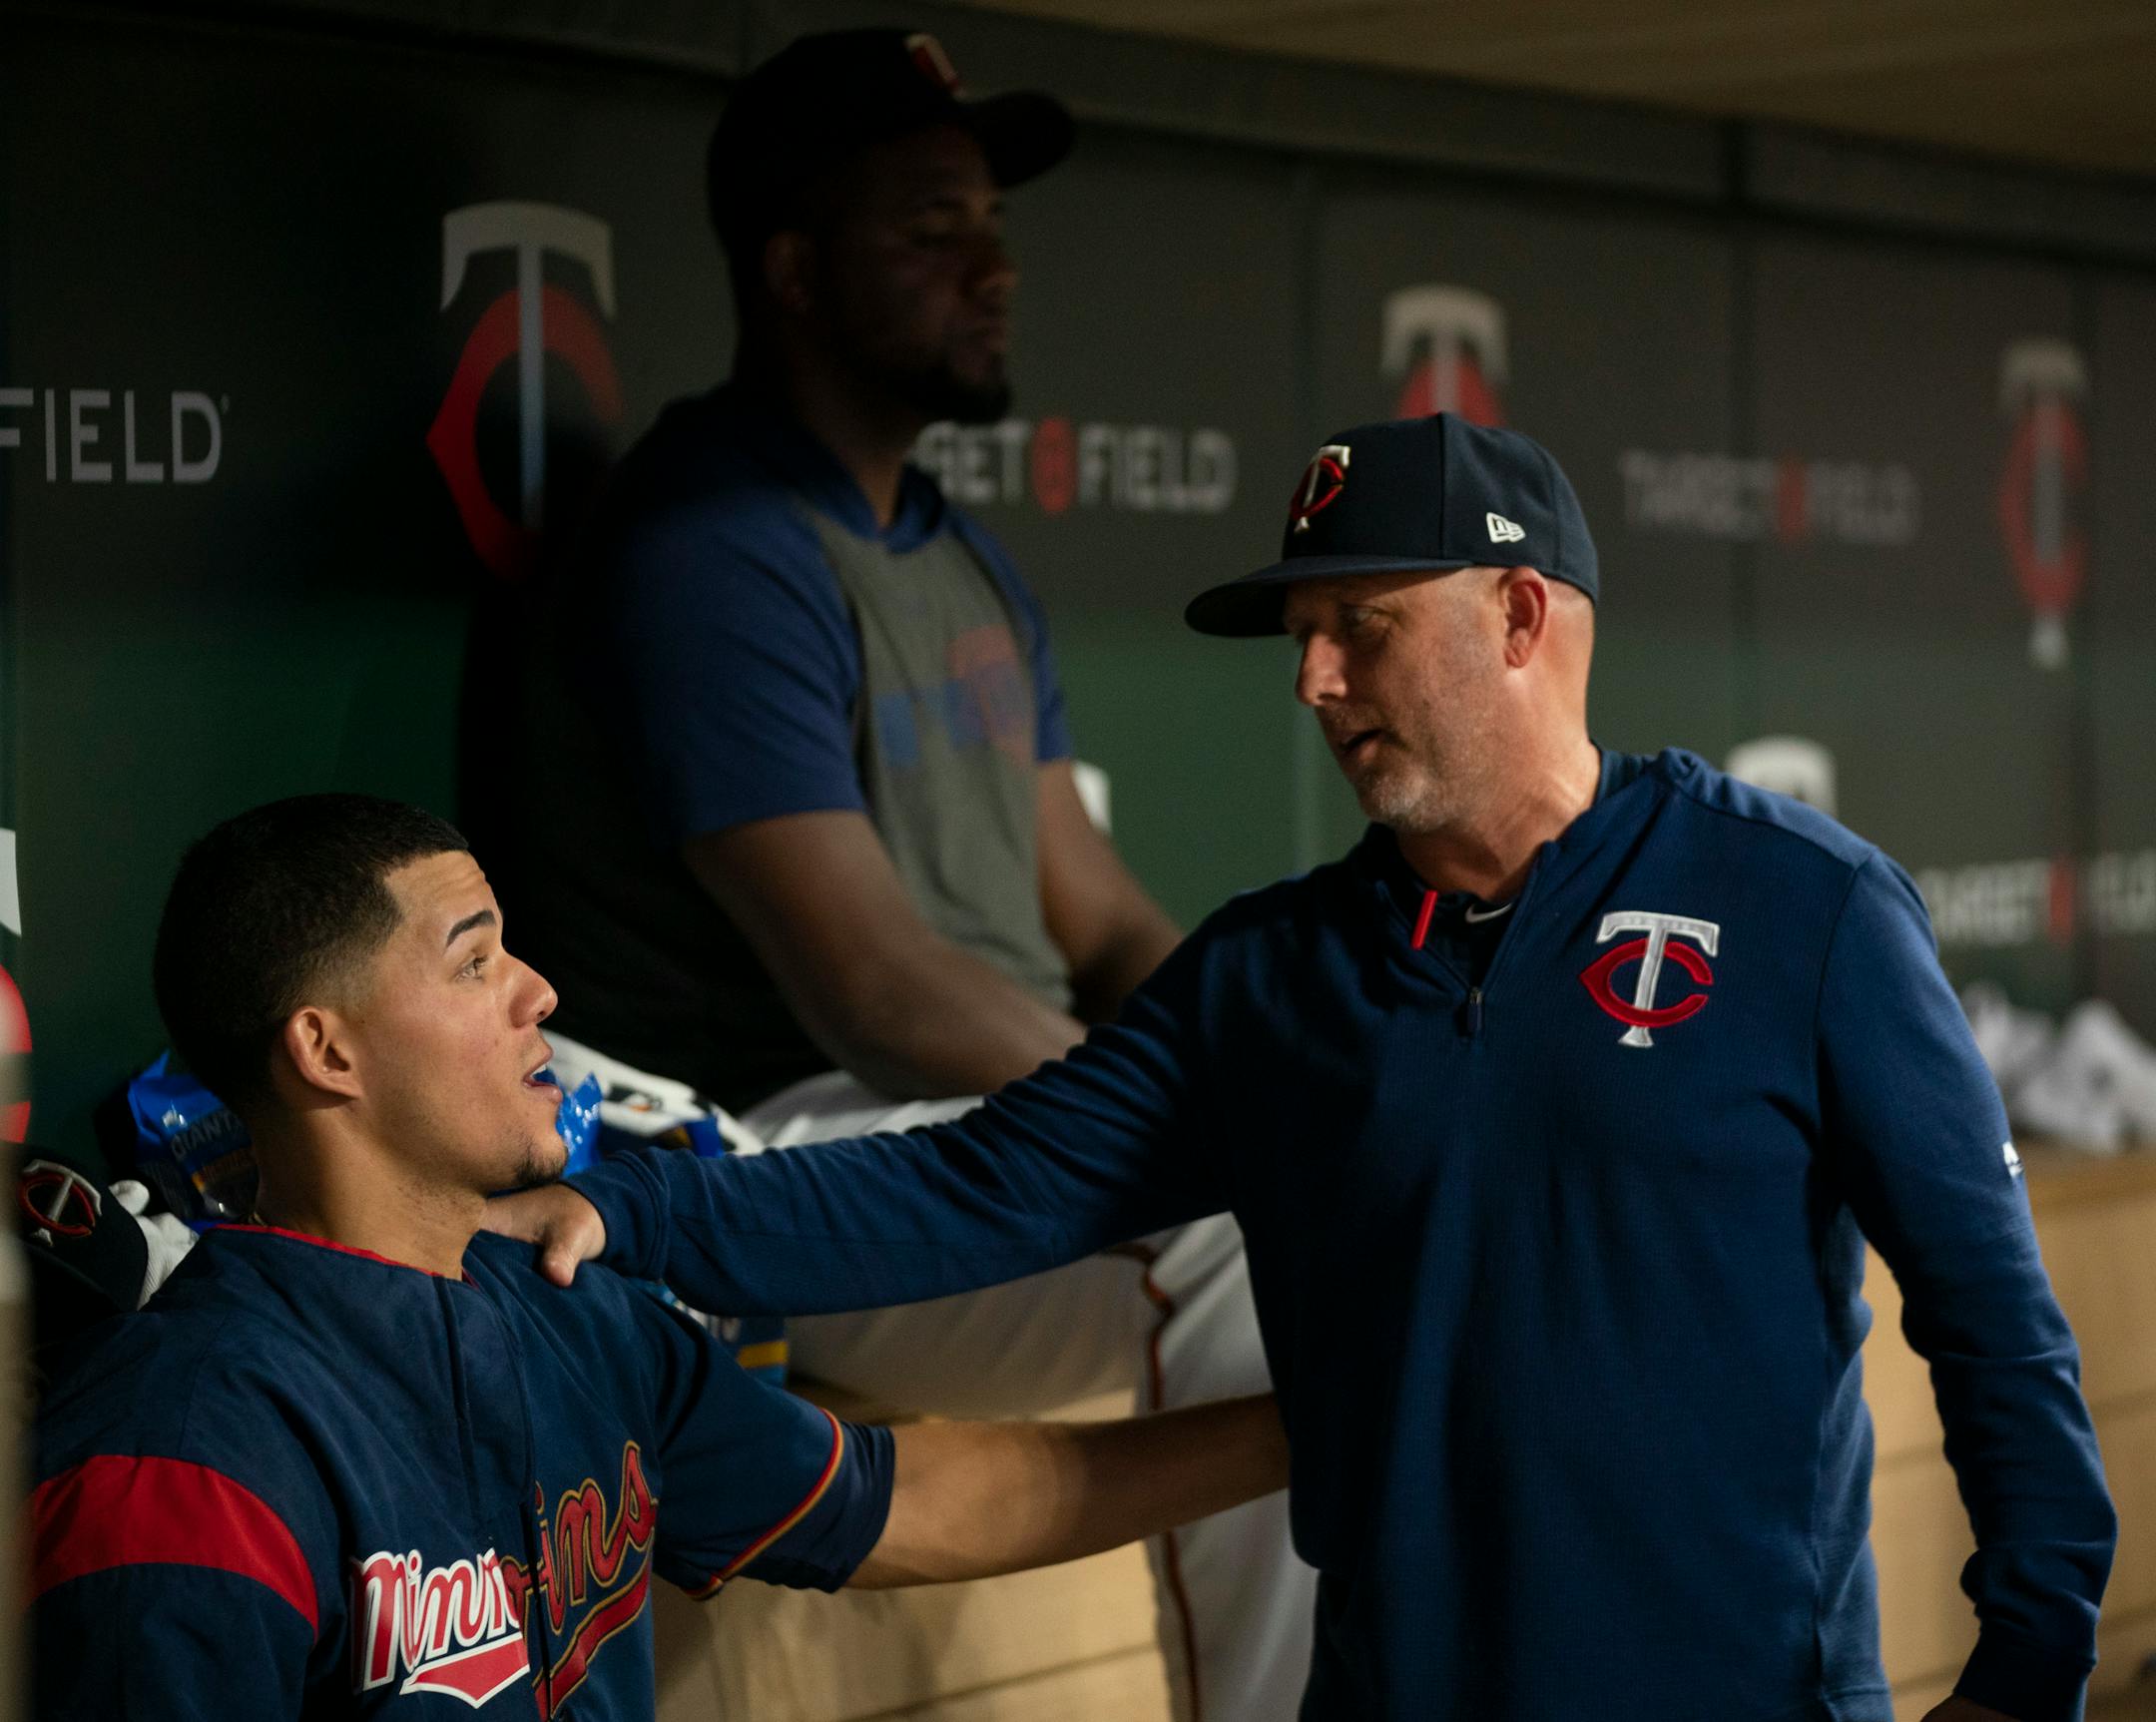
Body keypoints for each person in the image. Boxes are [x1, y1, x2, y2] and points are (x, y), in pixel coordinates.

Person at [493, 414, 2119, 1722]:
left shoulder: (1803, 907)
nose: (1312, 682)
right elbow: (969, 1184)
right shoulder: (1270, 978)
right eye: (1302, 636)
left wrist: (2030, 1662)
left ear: (1522, 618)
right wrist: (633, 1216)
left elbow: (1994, 1324)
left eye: (1362, 628)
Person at [492, 26, 1311, 1718]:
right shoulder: (713, 548)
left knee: (1358, 1184)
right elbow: (873, 987)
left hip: (961, 1140)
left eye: (992, 222)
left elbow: (1099, 914)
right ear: (793, 269)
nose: (991, 264)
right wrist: (1187, 1116)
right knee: (1252, 1231)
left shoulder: (956, 555)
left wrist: (1299, 1059)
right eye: (930, 226)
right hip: (766, 1160)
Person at [25, 796, 1287, 1719]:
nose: (539, 995)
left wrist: (1313, 1431)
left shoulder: (569, 1311)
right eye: (475, 962)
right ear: (327, 1052)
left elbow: (907, 1505)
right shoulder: (179, 1453)